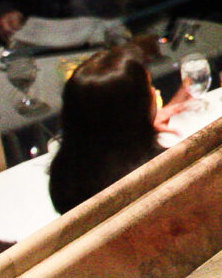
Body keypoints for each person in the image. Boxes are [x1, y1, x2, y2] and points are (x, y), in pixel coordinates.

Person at [48, 45, 190, 214]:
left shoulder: (64, 179)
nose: (153, 92)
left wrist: (142, 122)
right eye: (149, 87)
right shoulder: (164, 170)